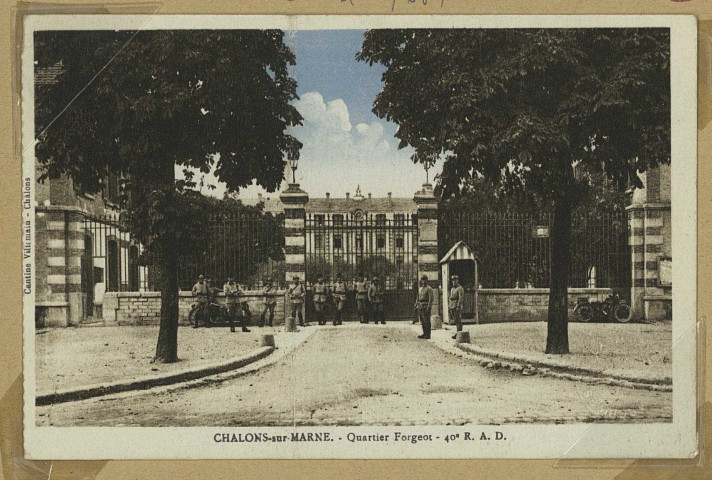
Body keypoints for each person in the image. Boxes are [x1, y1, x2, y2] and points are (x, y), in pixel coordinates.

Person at [449, 275, 465, 339]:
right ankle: (458, 332)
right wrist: (449, 305)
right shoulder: (452, 289)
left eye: (455, 280)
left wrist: (458, 306)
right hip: (452, 306)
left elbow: (460, 298)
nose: (454, 282)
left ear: (457, 280)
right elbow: (450, 298)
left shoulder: (459, 288)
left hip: (456, 306)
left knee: (458, 320)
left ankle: (459, 333)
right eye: (453, 280)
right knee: (455, 320)